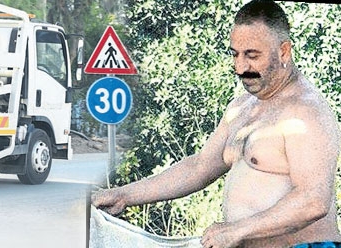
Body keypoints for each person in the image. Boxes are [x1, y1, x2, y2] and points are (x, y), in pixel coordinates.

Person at [91, 0, 341, 247]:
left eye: (252, 56)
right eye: (236, 54)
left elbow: (313, 200)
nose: (240, 67)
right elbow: (199, 167)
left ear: (284, 51)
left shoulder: (305, 112)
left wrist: (237, 230)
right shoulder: (241, 108)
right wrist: (124, 195)